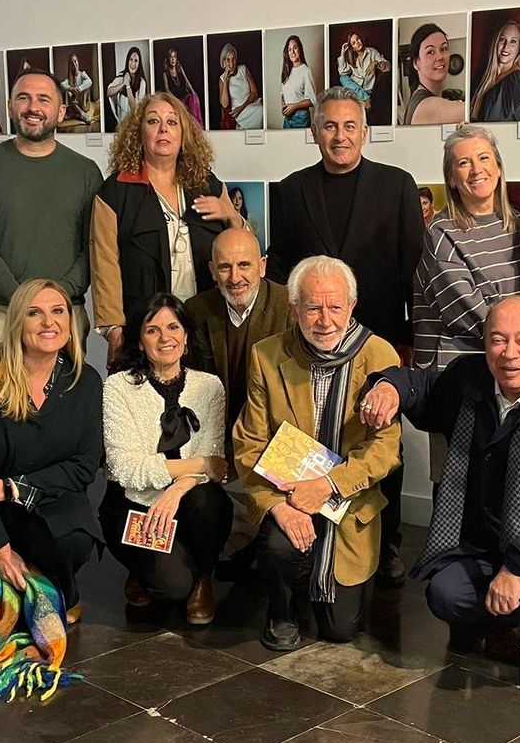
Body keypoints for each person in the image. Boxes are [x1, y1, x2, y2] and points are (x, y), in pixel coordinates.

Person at [361, 296, 520, 691]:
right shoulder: (470, 379)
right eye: (498, 340)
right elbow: (423, 388)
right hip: (486, 537)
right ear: (484, 344)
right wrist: (389, 387)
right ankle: (507, 621)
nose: (509, 354)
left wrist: (518, 566)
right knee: (445, 595)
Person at [269, 87, 427, 583]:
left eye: (349, 126)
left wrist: (408, 342)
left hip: (378, 340)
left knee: (381, 439)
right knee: (318, 435)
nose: (340, 136)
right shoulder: (291, 190)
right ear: (315, 133)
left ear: (366, 132)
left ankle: (389, 539)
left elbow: (412, 270)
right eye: (330, 127)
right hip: (314, 338)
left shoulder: (397, 185)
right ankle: (314, 525)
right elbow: (281, 273)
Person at [233, 256, 402, 649]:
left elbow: (385, 449)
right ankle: (281, 610)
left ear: (352, 306)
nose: (325, 320)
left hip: (349, 502)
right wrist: (279, 506)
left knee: (340, 631)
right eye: (312, 307)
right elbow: (249, 442)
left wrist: (327, 485)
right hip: (287, 492)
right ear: (294, 309)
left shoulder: (379, 356)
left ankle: (315, 576)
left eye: (335, 307)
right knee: (278, 545)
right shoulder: (266, 355)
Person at [0, 278, 103, 619]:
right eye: (34, 313)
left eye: (58, 311)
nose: (48, 322)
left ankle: (59, 587)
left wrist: (8, 488)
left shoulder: (85, 381)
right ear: (17, 323)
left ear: (71, 323)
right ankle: (18, 576)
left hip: (42, 503)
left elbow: (84, 466)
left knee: (73, 538)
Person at [101, 294, 232, 622]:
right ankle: (142, 568)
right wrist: (199, 464)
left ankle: (203, 576)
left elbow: (216, 462)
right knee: (172, 588)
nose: (165, 338)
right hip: (134, 503)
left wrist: (176, 489)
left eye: (173, 327)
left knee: (209, 502)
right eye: (152, 330)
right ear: (140, 340)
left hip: (187, 501)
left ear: (186, 336)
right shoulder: (117, 387)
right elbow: (124, 468)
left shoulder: (210, 386)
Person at [91, 92, 245, 360]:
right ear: (139, 133)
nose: (163, 129)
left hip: (205, 323)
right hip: (146, 327)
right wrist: (113, 329)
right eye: (153, 121)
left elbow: (244, 251)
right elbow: (104, 264)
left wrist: (231, 215)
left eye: (172, 122)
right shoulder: (116, 191)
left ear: (184, 133)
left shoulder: (207, 183)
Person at [0, 70, 103, 353]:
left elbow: (94, 247)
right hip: (3, 313)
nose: (33, 108)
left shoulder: (86, 172)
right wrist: (23, 299)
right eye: (23, 98)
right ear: (10, 106)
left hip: (65, 313)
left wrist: (55, 300)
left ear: (61, 111)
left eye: (43, 99)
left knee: (64, 397)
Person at [185, 228, 293, 553]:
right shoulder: (196, 310)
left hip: (277, 433)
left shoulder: (289, 306)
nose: (235, 277)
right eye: (225, 267)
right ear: (211, 271)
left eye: (244, 265)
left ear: (262, 266)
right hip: (219, 432)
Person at [413, 124, 520, 373]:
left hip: (514, 367)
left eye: (484, 158)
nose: (477, 170)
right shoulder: (442, 233)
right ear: (452, 179)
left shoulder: (519, 225)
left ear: (498, 168)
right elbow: (466, 315)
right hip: (462, 370)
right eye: (464, 163)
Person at [472, 20, 520, 122]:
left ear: (519, 48)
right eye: (502, 39)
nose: (506, 46)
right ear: (496, 42)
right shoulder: (482, 80)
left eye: (513, 41)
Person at [402, 23, 465, 125]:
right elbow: (476, 111)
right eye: (430, 52)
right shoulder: (425, 106)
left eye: (443, 49)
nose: (440, 57)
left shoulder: (432, 97)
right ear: (416, 63)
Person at [337, 29, 391, 108]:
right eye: (354, 43)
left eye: (358, 39)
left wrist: (376, 63)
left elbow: (388, 67)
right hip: (356, 90)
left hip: (369, 89)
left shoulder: (372, 52)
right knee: (342, 78)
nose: (357, 42)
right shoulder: (351, 58)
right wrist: (342, 54)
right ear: (353, 48)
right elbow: (342, 72)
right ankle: (366, 98)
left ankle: (365, 98)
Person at [217, 42, 263, 130]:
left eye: (233, 59)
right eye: (228, 60)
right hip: (237, 113)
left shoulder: (243, 69)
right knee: (260, 111)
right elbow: (225, 104)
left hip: (249, 105)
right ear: (223, 62)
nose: (232, 63)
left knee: (261, 110)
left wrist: (242, 107)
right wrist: (226, 81)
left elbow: (254, 93)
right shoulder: (222, 79)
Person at [279, 35, 317, 128]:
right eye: (289, 49)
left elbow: (313, 100)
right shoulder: (287, 71)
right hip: (287, 119)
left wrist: (294, 106)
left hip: (301, 118)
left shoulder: (306, 71)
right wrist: (283, 104)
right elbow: (283, 94)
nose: (292, 52)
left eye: (295, 48)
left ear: (300, 49)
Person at [106, 46, 147, 131]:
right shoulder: (121, 76)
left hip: (134, 126)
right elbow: (109, 92)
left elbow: (134, 108)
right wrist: (123, 83)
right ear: (127, 61)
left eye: (136, 61)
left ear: (139, 63)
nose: (133, 64)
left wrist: (127, 86)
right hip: (121, 125)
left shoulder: (142, 82)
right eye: (130, 59)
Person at [159, 47, 203, 124]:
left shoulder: (179, 68)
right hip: (175, 99)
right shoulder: (165, 73)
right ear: (168, 59)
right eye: (171, 57)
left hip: (184, 97)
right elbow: (167, 90)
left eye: (174, 57)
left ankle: (195, 124)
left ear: (176, 58)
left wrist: (193, 92)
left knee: (194, 98)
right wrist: (177, 101)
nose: (173, 59)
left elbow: (186, 82)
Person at [58, 53, 93, 125]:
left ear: (78, 62)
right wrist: (71, 89)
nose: (74, 64)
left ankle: (79, 113)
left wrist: (79, 89)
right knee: (67, 92)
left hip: (83, 104)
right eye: (72, 62)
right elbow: (61, 85)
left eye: (75, 61)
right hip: (75, 104)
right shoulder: (69, 78)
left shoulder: (82, 74)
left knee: (86, 85)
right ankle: (80, 114)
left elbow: (89, 82)